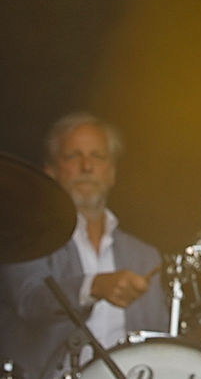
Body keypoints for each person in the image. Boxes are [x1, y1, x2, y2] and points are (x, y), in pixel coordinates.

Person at [0, 113, 168, 379]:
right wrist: (94, 286)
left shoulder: (144, 256)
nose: (87, 167)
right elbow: (30, 300)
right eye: (73, 156)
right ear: (50, 171)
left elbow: (162, 343)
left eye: (98, 156)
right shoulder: (24, 238)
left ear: (112, 173)